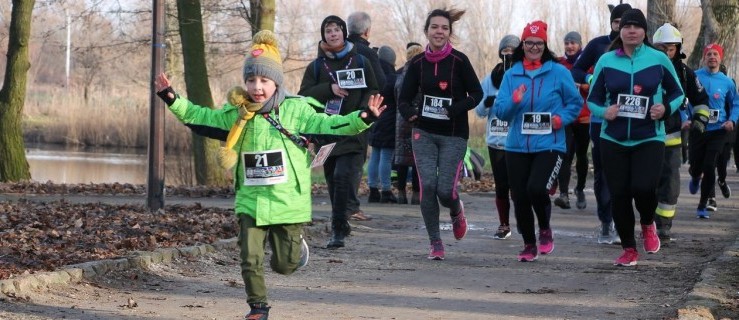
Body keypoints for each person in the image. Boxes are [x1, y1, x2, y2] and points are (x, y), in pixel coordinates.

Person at [153, 30, 386, 320]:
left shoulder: (296, 110)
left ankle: (293, 248)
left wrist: (363, 118)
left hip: (287, 201)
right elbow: (201, 118)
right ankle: (258, 308)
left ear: (276, 81)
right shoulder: (239, 114)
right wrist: (172, 97)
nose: (256, 86)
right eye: (251, 80)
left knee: (284, 265)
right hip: (251, 199)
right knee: (249, 257)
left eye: (263, 80)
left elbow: (331, 125)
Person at [588, 9, 685, 266]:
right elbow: (593, 99)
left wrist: (665, 108)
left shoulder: (658, 59)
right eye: (627, 26)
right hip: (613, 138)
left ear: (644, 32)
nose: (632, 30)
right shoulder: (606, 60)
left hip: (649, 137)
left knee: (643, 188)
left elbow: (678, 94)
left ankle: (647, 222)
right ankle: (629, 249)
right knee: (619, 194)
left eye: (637, 26)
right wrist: (603, 111)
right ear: (620, 31)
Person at [493, 20, 583, 262]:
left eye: (538, 43)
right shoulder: (512, 75)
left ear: (545, 45)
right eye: (529, 43)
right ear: (523, 45)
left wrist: (559, 120)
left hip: (550, 144)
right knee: (520, 195)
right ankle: (529, 244)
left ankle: (545, 228)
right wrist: (514, 100)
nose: (534, 47)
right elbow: (500, 112)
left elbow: (575, 103)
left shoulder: (559, 72)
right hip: (517, 145)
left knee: (536, 188)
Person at [397, 8, 483, 260]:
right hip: (423, 133)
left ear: (450, 33)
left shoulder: (460, 61)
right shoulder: (416, 64)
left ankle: (456, 210)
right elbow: (403, 100)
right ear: (426, 31)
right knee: (427, 187)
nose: (439, 31)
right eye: (434, 27)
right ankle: (435, 242)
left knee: (445, 191)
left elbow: (477, 95)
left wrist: (455, 109)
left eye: (444, 28)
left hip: (454, 134)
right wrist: (411, 113)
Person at [298, 15, 380, 248]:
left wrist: (364, 113)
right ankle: (341, 222)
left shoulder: (360, 60)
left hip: (353, 130)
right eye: (328, 31)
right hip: (326, 132)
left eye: (336, 30)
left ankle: (337, 230)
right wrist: (329, 88)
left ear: (344, 32)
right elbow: (304, 95)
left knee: (344, 176)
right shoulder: (316, 66)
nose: (332, 34)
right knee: (333, 180)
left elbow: (373, 88)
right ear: (323, 35)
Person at [572, 2, 632, 245]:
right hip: (600, 120)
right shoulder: (598, 45)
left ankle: (621, 218)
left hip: (631, 120)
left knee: (627, 173)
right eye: (618, 22)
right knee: (604, 173)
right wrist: (590, 76)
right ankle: (607, 221)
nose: (622, 28)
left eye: (627, 24)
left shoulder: (639, 50)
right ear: (612, 23)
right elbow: (575, 71)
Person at [651, 23, 710, 242]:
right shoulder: (643, 68)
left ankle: (664, 225)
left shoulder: (685, 73)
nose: (666, 52)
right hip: (644, 138)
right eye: (661, 47)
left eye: (670, 48)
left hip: (671, 139)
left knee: (670, 183)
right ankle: (648, 221)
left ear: (677, 49)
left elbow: (701, 100)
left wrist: (700, 120)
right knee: (646, 182)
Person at [474, 34, 520, 240]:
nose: (508, 53)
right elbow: (479, 112)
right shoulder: (490, 79)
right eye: (504, 50)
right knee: (501, 186)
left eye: (512, 50)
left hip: (518, 140)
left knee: (519, 186)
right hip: (497, 140)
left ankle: (524, 221)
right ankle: (504, 224)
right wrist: (488, 102)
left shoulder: (524, 75)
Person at [689, 43, 739, 219]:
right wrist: (687, 117)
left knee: (710, 165)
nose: (712, 57)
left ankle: (703, 204)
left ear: (720, 58)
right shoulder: (694, 76)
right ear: (704, 57)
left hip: (718, 129)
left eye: (715, 54)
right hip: (698, 128)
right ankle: (695, 177)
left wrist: (732, 120)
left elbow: (735, 103)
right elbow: (686, 99)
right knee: (695, 166)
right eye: (709, 54)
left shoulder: (727, 82)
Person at [346, 11, 387, 218]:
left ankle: (341, 205)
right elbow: (381, 83)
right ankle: (351, 208)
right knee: (355, 159)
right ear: (367, 31)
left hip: (332, 115)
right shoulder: (367, 53)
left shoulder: (338, 50)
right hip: (359, 114)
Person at [554, 31, 591, 211]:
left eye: (573, 43)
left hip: (584, 117)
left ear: (579, 45)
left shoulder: (587, 64)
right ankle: (563, 194)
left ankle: (580, 188)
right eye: (567, 43)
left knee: (582, 155)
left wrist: (583, 86)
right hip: (565, 117)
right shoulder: (559, 64)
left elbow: (596, 86)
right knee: (565, 154)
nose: (569, 46)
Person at [367, 45, 398, 203]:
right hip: (390, 122)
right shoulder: (393, 78)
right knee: (386, 157)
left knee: (375, 156)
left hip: (374, 120)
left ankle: (373, 189)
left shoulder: (373, 74)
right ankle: (386, 190)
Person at [394, 42, 424, 205]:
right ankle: (416, 194)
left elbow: (395, 96)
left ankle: (401, 192)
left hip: (400, 120)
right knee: (416, 159)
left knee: (402, 160)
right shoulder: (420, 73)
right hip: (416, 118)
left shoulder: (400, 74)